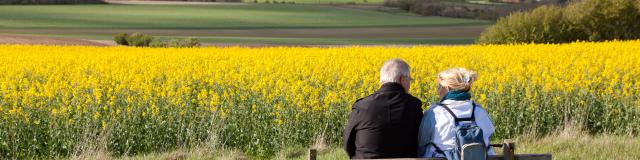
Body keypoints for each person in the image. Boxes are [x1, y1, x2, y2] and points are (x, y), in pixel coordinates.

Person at [343, 59, 424, 159]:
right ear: (402, 80)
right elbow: (421, 141)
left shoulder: (362, 106)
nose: (410, 83)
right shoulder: (414, 106)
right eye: (409, 79)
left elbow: (347, 144)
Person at [417, 68, 495, 158]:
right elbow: (488, 138)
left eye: (439, 86)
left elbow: (421, 143)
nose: (438, 91)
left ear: (447, 88)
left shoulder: (435, 112)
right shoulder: (479, 111)